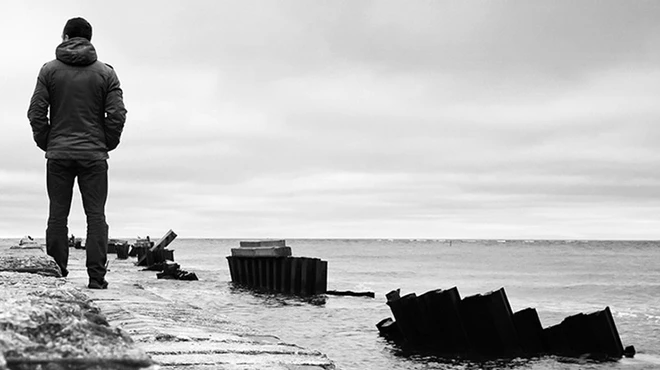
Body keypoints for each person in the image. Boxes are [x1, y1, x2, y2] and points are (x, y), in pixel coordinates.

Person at [28, 17, 127, 289]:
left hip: (58, 154)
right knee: (96, 215)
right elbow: (117, 114)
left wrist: (48, 142)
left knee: (57, 215)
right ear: (89, 39)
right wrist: (106, 142)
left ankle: (58, 272)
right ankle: (96, 278)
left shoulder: (49, 71)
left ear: (65, 36)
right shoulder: (106, 73)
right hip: (94, 155)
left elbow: (36, 112)